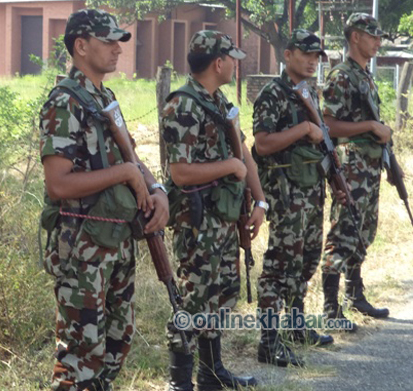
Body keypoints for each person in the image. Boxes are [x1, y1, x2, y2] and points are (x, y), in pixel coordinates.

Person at [39, 9, 169, 391]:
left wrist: (155, 189)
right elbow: (58, 185)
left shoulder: (104, 97)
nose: (117, 49)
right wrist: (126, 175)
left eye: (119, 42)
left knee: (117, 341)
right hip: (82, 249)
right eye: (108, 41)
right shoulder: (65, 102)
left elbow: (129, 158)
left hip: (115, 243)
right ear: (81, 46)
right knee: (81, 354)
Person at [162, 30, 265, 391]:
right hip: (197, 221)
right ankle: (181, 382)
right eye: (232, 58)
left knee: (220, 295)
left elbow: (244, 155)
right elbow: (180, 172)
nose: (238, 64)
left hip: (223, 218)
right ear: (218, 63)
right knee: (192, 300)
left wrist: (259, 201)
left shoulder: (219, 102)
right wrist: (229, 168)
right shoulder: (183, 105)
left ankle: (211, 373)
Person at [252, 29, 336, 368]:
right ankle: (269, 341)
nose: (313, 61)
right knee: (281, 264)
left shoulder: (309, 92)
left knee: (307, 258)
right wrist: (303, 130)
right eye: (307, 54)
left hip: (312, 189)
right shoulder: (273, 94)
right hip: (286, 192)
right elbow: (262, 144)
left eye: (318, 56)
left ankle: (296, 325)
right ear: (287, 55)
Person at [321, 13, 390, 325]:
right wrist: (371, 126)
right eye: (371, 35)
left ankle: (355, 294)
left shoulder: (365, 76)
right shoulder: (342, 76)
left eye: (378, 37)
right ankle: (330, 307)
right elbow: (328, 125)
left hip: (370, 164)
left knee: (364, 231)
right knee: (344, 230)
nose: (377, 42)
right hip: (351, 165)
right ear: (355, 38)